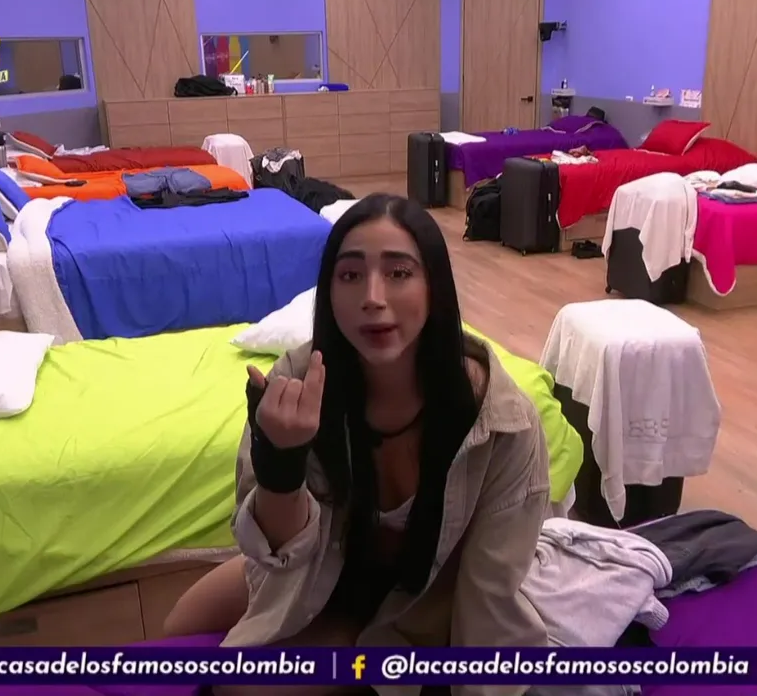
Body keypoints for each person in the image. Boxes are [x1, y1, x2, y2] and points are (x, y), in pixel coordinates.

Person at [162, 194, 552, 696]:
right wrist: (282, 463)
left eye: (398, 272)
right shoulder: (297, 381)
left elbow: (491, 595)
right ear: (328, 291)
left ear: (435, 286)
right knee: (178, 627)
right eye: (349, 275)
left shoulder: (502, 421)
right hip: (320, 565)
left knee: (241, 688)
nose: (372, 297)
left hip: (420, 596)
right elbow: (279, 545)